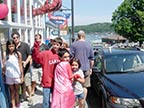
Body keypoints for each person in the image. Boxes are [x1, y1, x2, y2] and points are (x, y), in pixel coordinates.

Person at [32, 37, 63, 108]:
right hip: (47, 82)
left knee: (57, 101)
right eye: (54, 44)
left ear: (60, 45)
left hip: (58, 82)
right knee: (46, 101)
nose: (55, 46)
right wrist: (36, 46)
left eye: (57, 44)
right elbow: (37, 57)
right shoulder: (46, 54)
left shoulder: (62, 55)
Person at [70, 30, 94, 107]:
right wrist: (91, 68)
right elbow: (92, 59)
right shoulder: (89, 45)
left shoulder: (74, 45)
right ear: (84, 36)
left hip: (76, 68)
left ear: (78, 36)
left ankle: (75, 102)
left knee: (74, 85)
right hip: (86, 67)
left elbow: (70, 57)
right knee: (85, 86)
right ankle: (82, 101)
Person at [12, 32, 33, 106]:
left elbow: (30, 55)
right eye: (14, 38)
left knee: (27, 83)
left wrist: (26, 62)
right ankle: (23, 96)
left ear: (19, 37)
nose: (15, 39)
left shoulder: (25, 45)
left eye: (16, 37)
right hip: (17, 69)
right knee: (21, 83)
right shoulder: (12, 46)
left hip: (25, 68)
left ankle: (30, 97)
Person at [3, 40, 23, 108]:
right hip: (9, 75)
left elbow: (20, 65)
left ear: (15, 46)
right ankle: (13, 105)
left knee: (17, 91)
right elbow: (4, 65)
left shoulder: (18, 54)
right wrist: (4, 74)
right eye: (10, 46)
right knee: (12, 91)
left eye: (12, 46)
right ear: (7, 46)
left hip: (17, 75)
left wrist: (22, 76)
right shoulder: (5, 54)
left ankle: (18, 104)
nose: (11, 48)